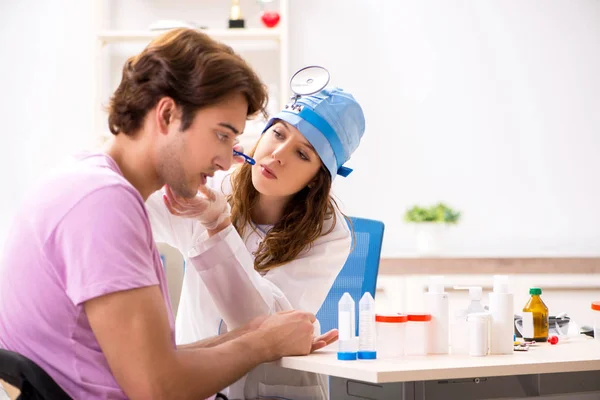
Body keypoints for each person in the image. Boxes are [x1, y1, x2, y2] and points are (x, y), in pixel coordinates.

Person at [0, 28, 332, 400]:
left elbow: (153, 363)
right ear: (168, 114)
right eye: (222, 135)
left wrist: (254, 334)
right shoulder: (104, 204)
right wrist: (261, 346)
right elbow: (157, 387)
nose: (227, 161)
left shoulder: (85, 182)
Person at [146, 83, 366, 398]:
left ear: (316, 178)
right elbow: (127, 208)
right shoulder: (211, 187)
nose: (277, 155)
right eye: (278, 134)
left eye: (302, 153)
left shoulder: (328, 231)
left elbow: (261, 325)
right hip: (198, 384)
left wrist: (217, 225)